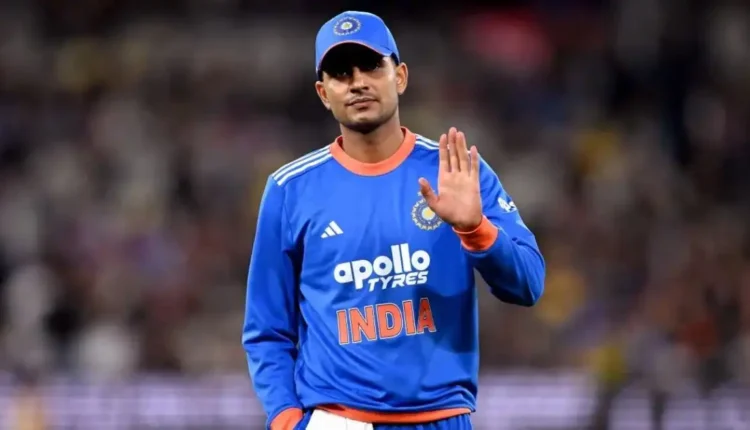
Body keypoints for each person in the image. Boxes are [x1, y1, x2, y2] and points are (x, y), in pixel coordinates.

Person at [242, 10, 546, 430]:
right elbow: (267, 330)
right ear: (323, 93)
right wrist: (286, 419)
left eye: (371, 66)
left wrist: (475, 230)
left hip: (441, 417)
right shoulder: (289, 189)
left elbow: (528, 283)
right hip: (338, 419)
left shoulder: (455, 171)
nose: (357, 82)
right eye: (341, 73)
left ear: (400, 77)